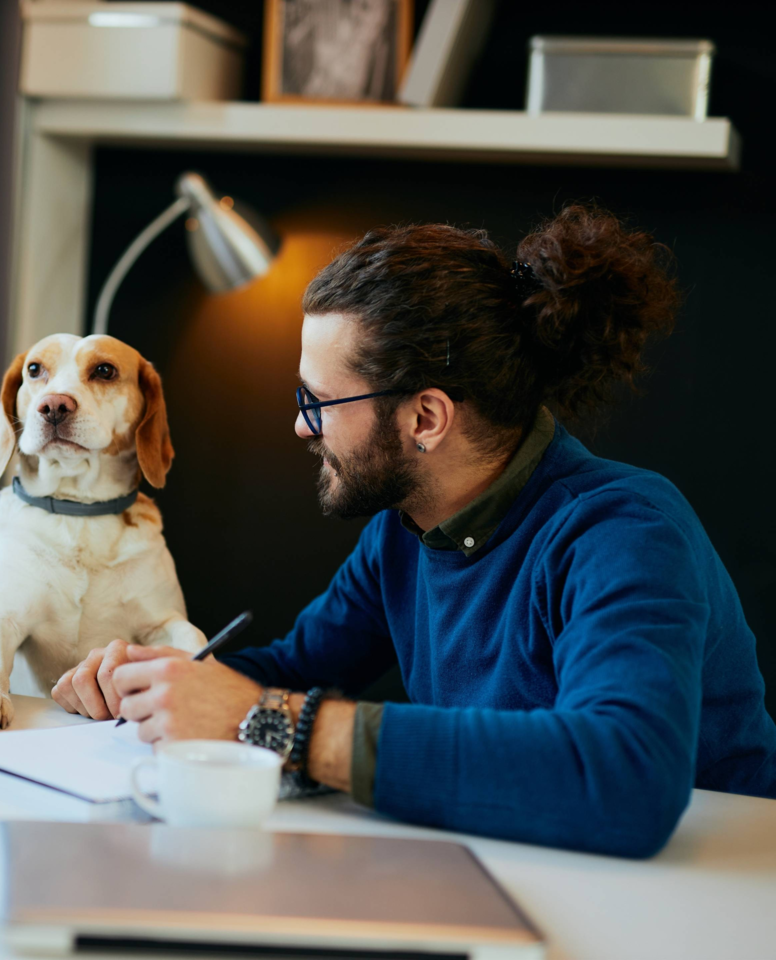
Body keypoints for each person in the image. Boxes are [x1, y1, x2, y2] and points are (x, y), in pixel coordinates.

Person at [50, 205, 776, 858]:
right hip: (518, 870)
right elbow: (298, 669)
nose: (300, 425)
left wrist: (273, 723)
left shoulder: (624, 532)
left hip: (708, 896)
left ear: (426, 418)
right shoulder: (407, 531)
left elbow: (622, 777)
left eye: (320, 400)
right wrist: (155, 684)